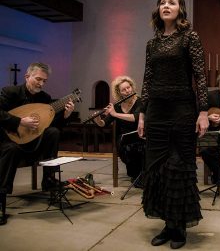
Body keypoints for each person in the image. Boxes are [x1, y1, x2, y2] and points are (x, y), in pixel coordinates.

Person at [137, 0, 209, 249]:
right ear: (158, 9)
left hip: (182, 109)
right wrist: (142, 113)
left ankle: (179, 227)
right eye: (163, 2)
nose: (166, 5)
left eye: (172, 2)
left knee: (178, 166)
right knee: (157, 168)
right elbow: (147, 79)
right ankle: (167, 224)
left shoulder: (190, 37)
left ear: (181, 9)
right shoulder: (152, 43)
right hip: (156, 110)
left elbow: (200, 76)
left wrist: (203, 111)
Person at [0, 62, 75, 225]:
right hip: (9, 141)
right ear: (27, 76)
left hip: (33, 143)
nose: (41, 84)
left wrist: (66, 115)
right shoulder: (9, 92)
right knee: (11, 149)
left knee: (53, 132)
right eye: (38, 79)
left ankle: (48, 179)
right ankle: (1, 201)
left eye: (44, 81)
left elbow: (50, 124)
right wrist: (19, 121)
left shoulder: (45, 98)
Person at [93, 75, 144, 186]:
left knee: (141, 147)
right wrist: (97, 118)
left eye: (128, 87)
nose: (127, 91)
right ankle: (136, 176)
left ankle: (141, 175)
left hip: (139, 136)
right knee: (129, 148)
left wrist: (115, 114)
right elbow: (103, 124)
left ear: (132, 87)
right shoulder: (116, 106)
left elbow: (135, 117)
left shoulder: (140, 102)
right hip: (124, 140)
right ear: (119, 92)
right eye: (123, 90)